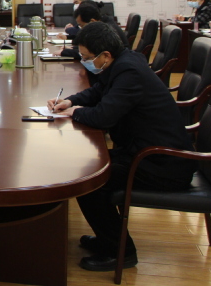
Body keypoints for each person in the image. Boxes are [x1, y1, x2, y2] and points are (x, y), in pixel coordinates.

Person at [47, 22, 196, 272]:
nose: (84, 61)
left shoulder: (130, 72)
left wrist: (76, 112)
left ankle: (120, 252)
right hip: (146, 153)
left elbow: (104, 116)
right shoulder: (123, 62)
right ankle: (108, 239)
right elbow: (98, 91)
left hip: (163, 165)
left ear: (105, 55)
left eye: (87, 58)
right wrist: (70, 101)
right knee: (90, 171)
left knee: (90, 181)